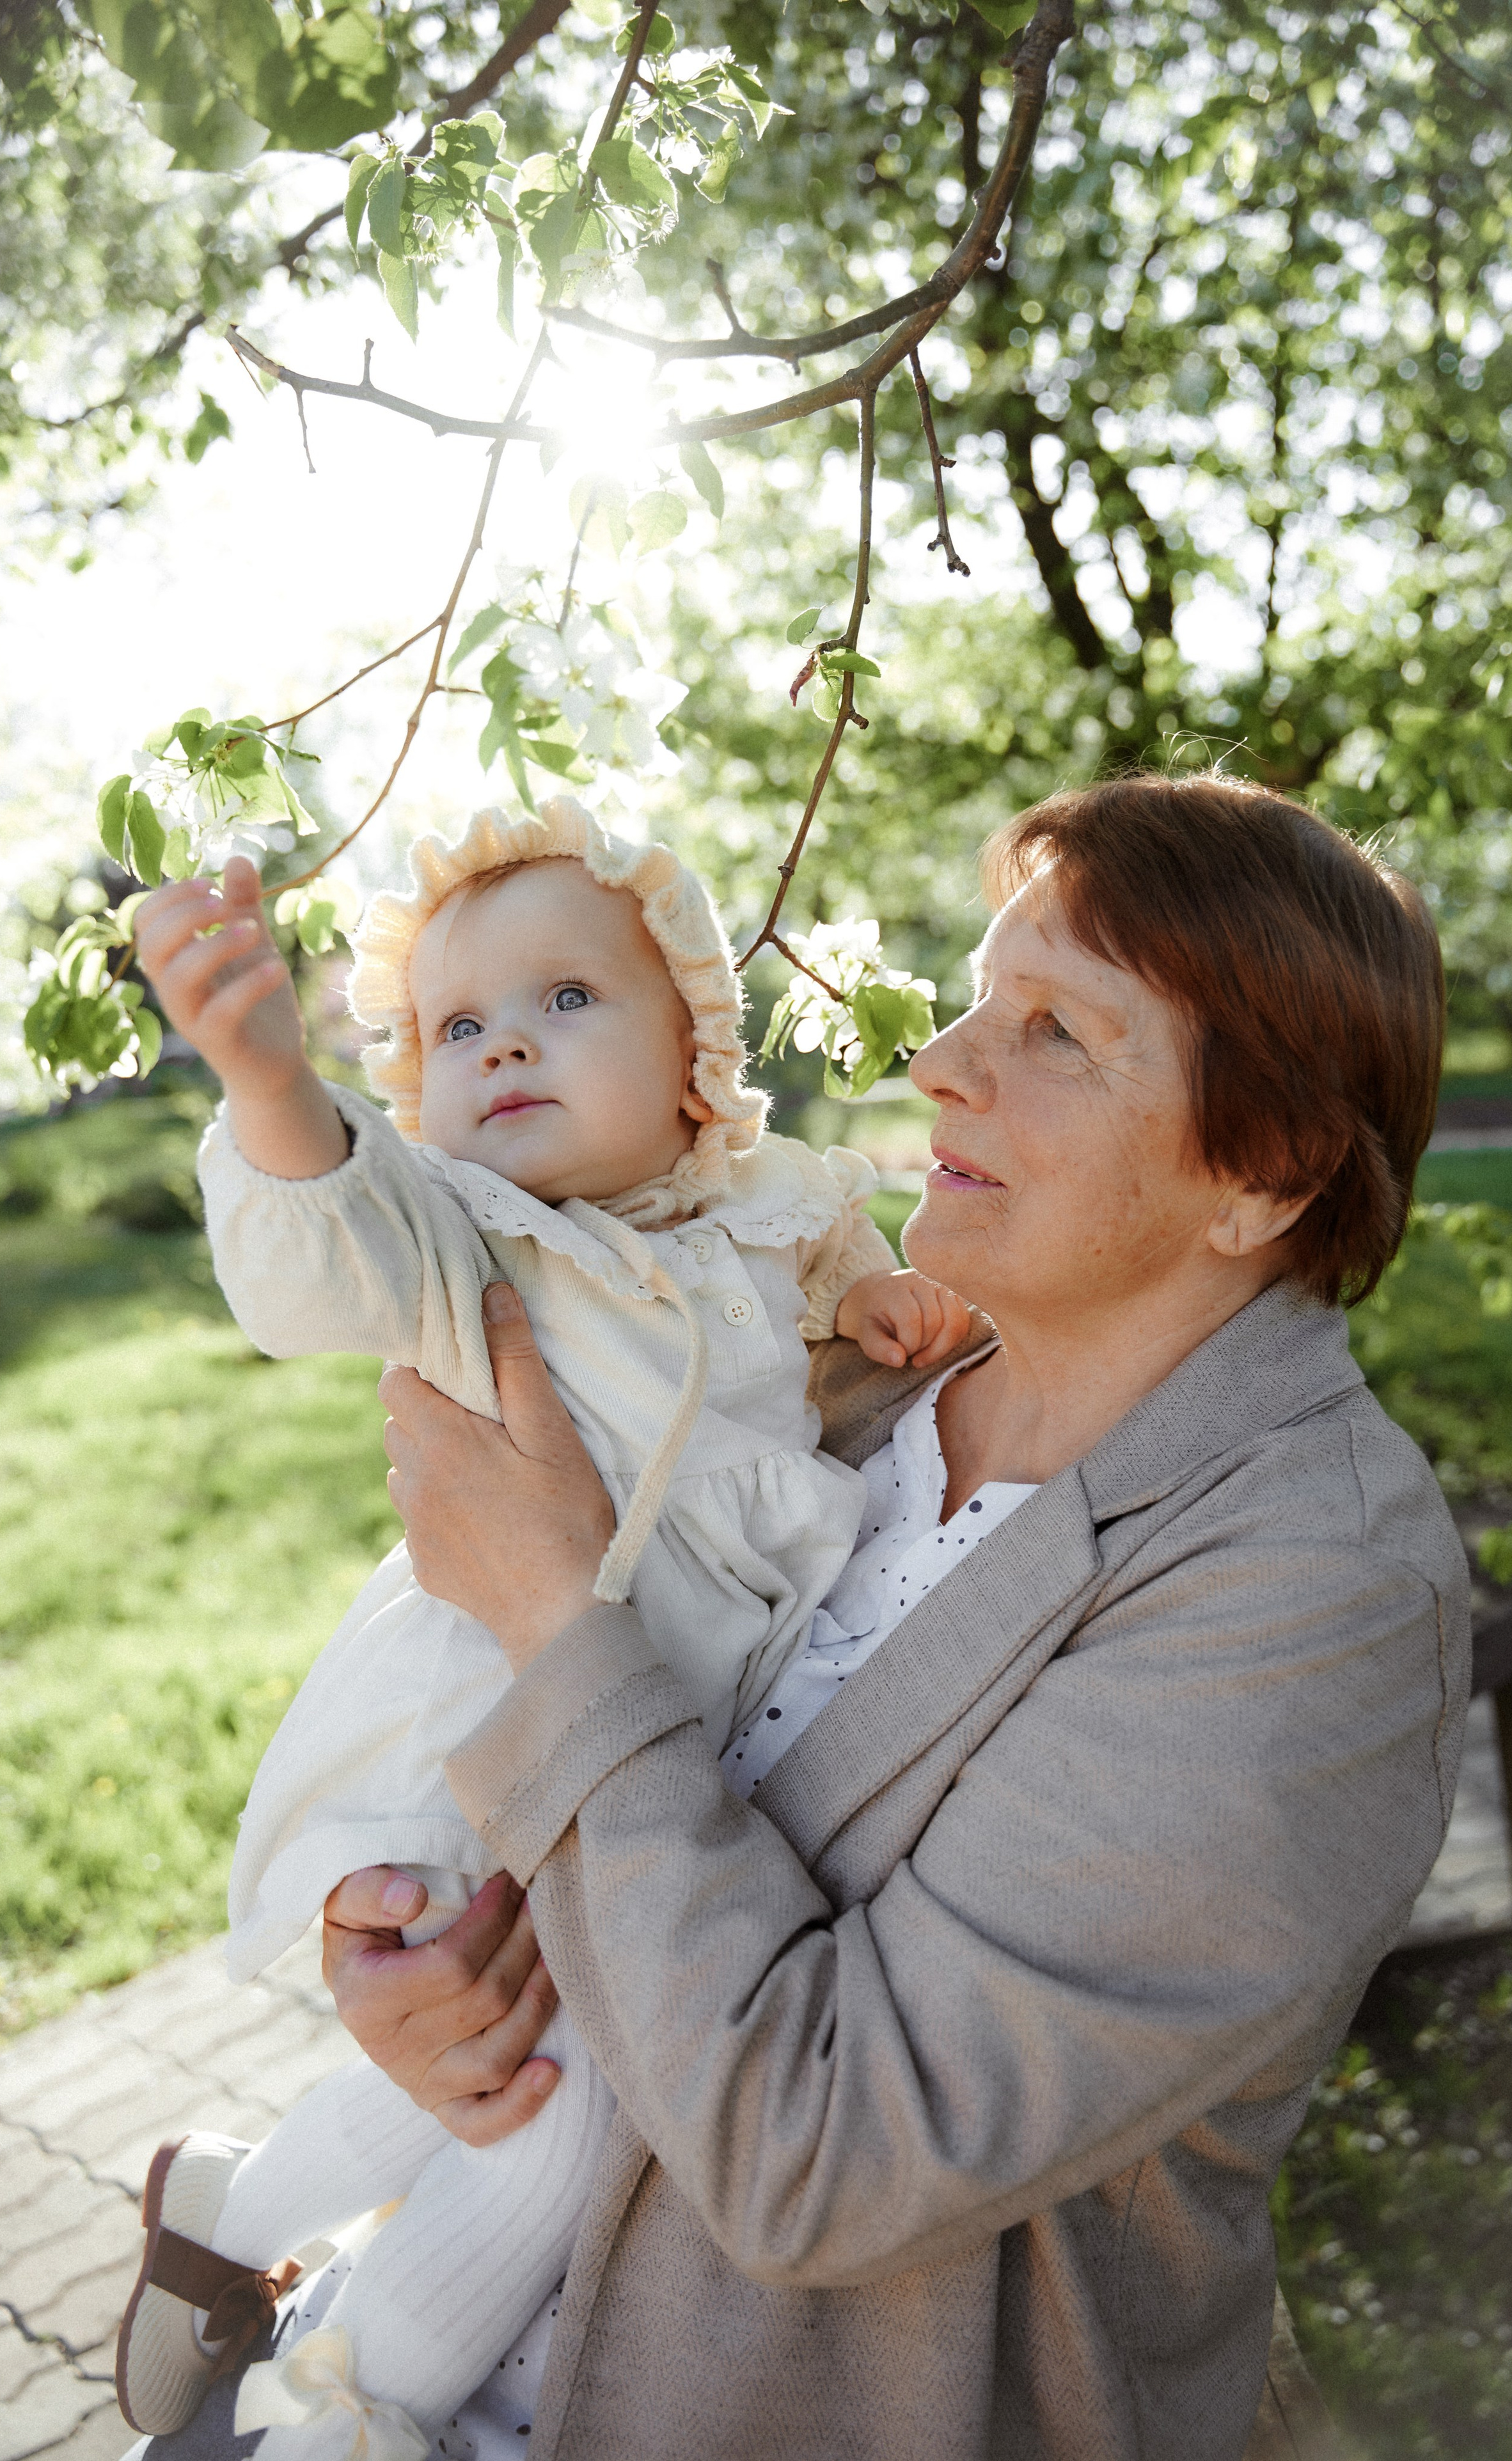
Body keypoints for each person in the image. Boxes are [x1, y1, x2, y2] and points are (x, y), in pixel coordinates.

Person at [137, 772, 1470, 2461]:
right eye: (978, 997)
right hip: (401, 2310)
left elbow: (825, 2157)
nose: (942, 1062)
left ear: (1264, 1171)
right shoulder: (841, 1385)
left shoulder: (1319, 1590)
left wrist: (550, 1612)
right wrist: (431, 1966)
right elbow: (606, 1825)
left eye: (1056, 1031)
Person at [114, 800, 972, 2459]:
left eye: (567, 999)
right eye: (457, 1026)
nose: (505, 1042)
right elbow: (322, 1251)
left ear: (696, 1057)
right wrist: (273, 1086)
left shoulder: (771, 1207)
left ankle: (231, 2214)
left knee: (514, 2070)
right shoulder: (472, 1242)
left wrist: (871, 1301)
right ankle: (352, 2411)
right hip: (479, 1735)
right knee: (546, 2106)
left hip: (655, 1755)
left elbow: (831, 1282)